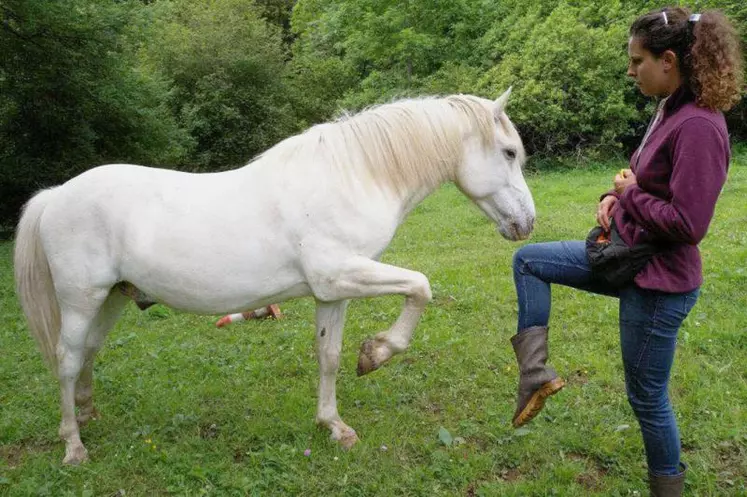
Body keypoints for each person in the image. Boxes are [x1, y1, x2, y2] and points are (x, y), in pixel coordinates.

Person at [507, 7, 743, 496]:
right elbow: (641, 180)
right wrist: (614, 196)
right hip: (625, 257)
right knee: (528, 261)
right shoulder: (669, 109)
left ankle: (668, 490)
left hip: (660, 282)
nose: (631, 70)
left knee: (648, 398)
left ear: (669, 60)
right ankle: (535, 374)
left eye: (638, 61)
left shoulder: (699, 125)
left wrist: (631, 193)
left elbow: (688, 224)